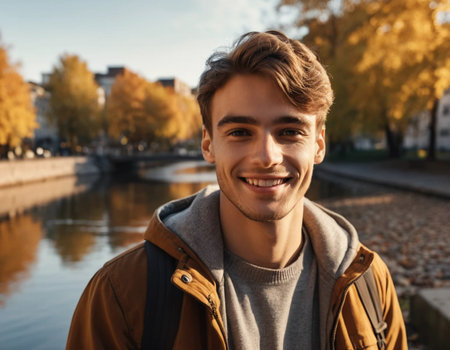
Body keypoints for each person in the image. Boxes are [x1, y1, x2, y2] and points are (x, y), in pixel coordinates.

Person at [66, 31, 407, 350]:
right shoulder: (123, 294)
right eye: (240, 132)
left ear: (318, 145)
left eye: (289, 132)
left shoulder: (369, 283)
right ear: (208, 143)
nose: (266, 157)